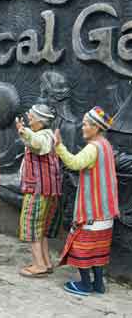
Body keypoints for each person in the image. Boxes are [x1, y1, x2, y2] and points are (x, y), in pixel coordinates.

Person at [54, 106, 119, 296]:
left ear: (96, 128)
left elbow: (74, 163)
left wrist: (59, 146)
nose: (82, 127)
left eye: (85, 124)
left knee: (80, 247)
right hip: (106, 212)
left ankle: (84, 285)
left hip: (92, 212)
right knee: (97, 250)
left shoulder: (93, 148)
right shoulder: (106, 145)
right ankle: (98, 284)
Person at [15, 104, 62, 278]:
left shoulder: (43, 136)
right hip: (48, 190)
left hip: (38, 190)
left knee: (32, 225)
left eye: (32, 118)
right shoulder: (47, 134)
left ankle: (39, 265)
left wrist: (23, 131)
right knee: (41, 228)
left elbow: (36, 144)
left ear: (41, 122)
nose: (29, 120)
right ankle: (46, 262)